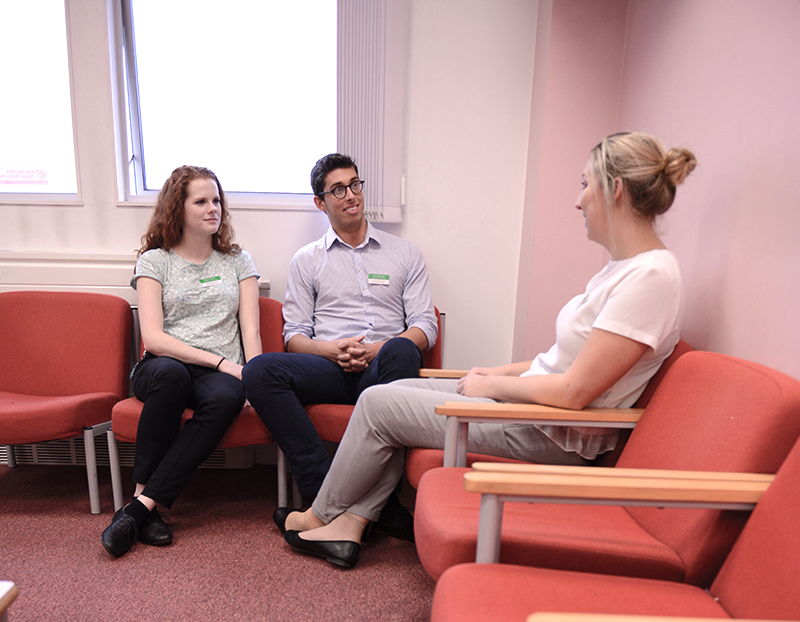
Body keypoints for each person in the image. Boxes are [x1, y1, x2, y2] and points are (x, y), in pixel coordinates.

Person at [276, 132, 697, 568]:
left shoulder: (651, 278)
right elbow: (559, 361)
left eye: (586, 184)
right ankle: (352, 522)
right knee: (391, 391)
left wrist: (491, 385)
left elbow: (574, 392)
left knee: (379, 402)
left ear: (616, 191)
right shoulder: (623, 270)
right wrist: (495, 372)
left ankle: (319, 515)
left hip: (549, 432)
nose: (578, 199)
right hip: (531, 410)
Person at [242, 153, 437, 541]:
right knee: (259, 371)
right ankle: (322, 495)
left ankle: (375, 505)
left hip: (384, 367)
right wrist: (332, 350)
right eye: (338, 189)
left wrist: (377, 349)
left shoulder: (405, 254)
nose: (351, 195)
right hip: (330, 368)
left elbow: (425, 326)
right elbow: (294, 335)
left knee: (403, 349)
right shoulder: (307, 260)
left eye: (355, 184)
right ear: (320, 202)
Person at [101, 165, 261, 557]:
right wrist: (222, 363)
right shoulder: (155, 261)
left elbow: (251, 332)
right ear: (179, 208)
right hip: (162, 365)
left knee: (226, 398)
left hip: (216, 374)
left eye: (217, 200)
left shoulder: (238, 262)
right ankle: (143, 495)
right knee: (172, 376)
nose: (214, 209)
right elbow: (154, 338)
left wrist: (255, 379)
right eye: (201, 201)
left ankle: (140, 508)